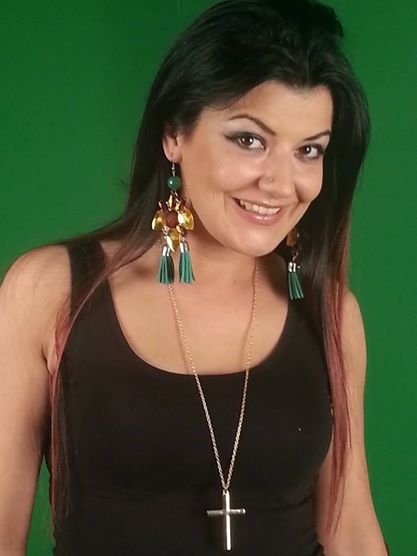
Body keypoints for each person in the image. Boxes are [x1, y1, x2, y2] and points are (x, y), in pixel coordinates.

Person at [0, 0, 390, 554]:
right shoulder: (51, 292)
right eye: (250, 140)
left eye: (309, 150)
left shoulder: (330, 313)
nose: (282, 184)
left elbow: (350, 532)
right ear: (174, 136)